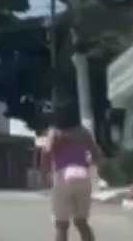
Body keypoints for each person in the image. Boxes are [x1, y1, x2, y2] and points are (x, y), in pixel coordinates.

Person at [42, 102, 102, 241]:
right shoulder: (82, 131)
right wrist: (89, 163)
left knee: (62, 224)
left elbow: (46, 151)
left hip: (63, 177)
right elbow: (96, 154)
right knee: (81, 222)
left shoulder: (54, 131)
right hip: (83, 175)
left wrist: (45, 173)